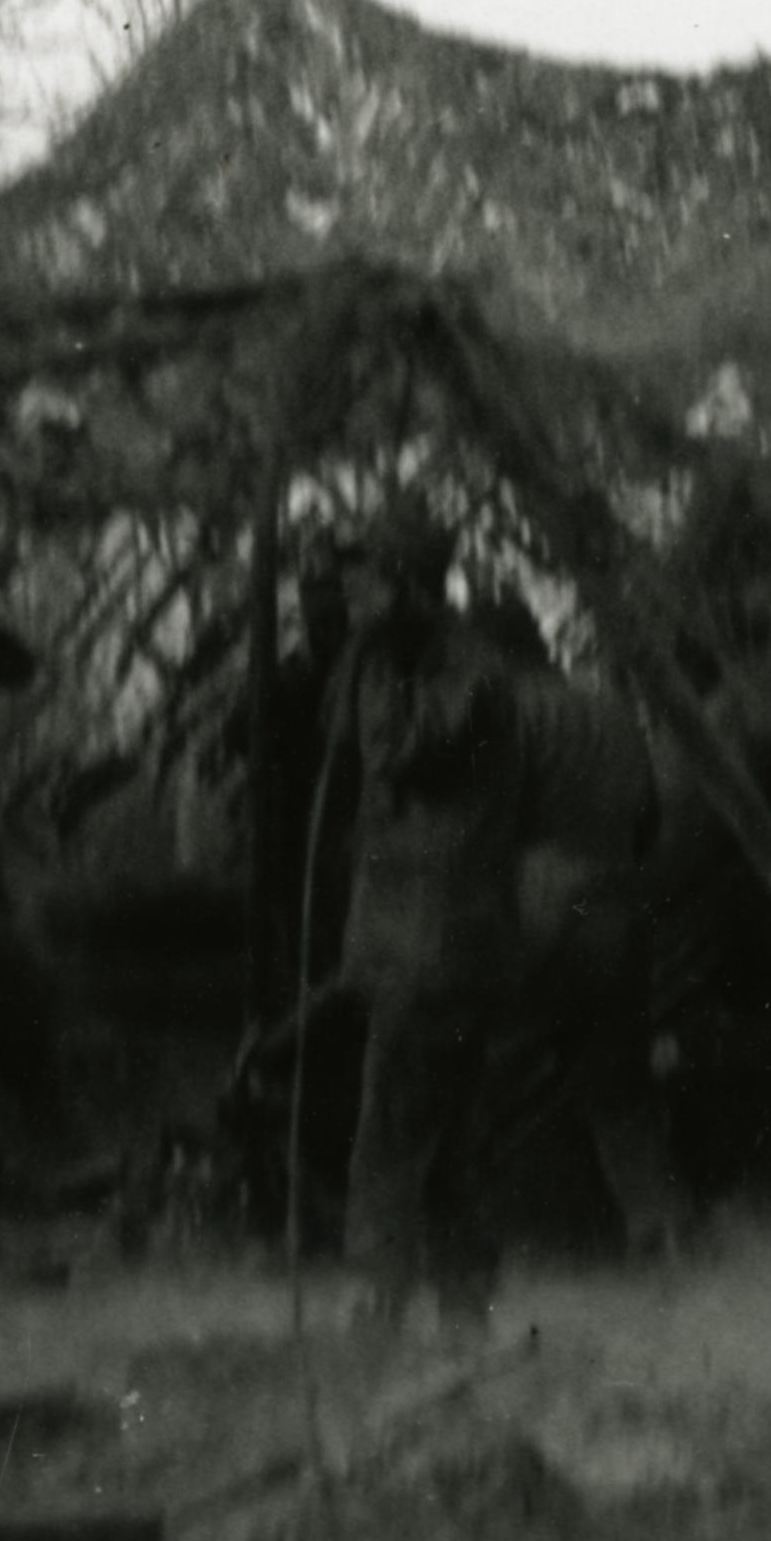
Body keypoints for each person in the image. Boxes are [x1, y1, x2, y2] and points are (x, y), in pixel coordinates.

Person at [334, 513, 530, 1328]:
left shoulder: (461, 673)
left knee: (398, 1122)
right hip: (443, 936)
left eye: (369, 584)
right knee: (448, 1128)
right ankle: (462, 1304)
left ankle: (383, 1302)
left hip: (435, 939)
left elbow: (390, 750)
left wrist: (374, 658)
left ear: (407, 586)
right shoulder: (441, 665)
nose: (355, 601)